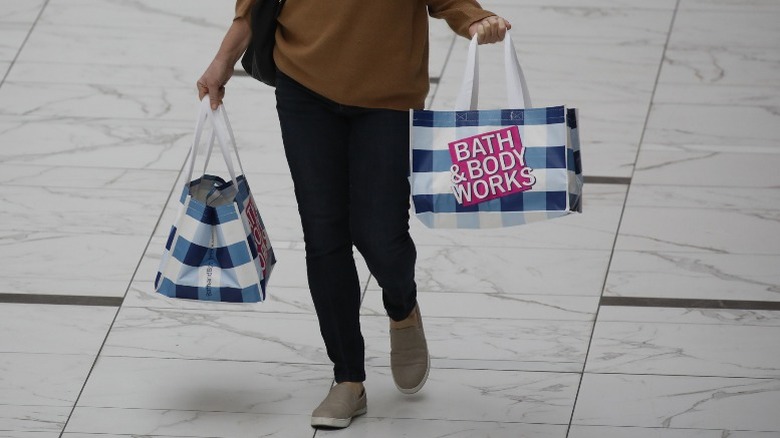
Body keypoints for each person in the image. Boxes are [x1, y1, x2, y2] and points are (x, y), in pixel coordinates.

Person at [197, 0, 511, 429]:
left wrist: (475, 18)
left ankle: (402, 308)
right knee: (324, 236)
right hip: (302, 85)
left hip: (388, 94)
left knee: (381, 235)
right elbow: (255, 7)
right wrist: (221, 62)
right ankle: (348, 380)